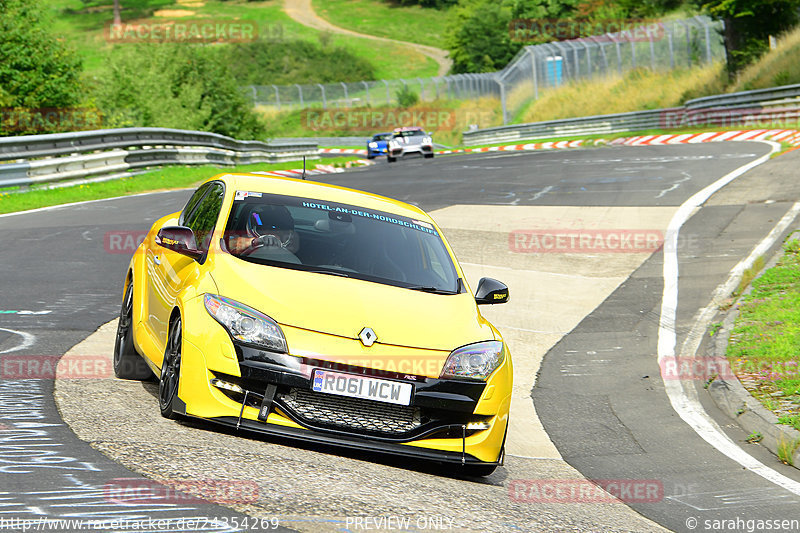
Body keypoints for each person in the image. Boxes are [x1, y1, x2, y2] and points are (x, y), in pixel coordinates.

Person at [227, 204, 300, 255]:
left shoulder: (293, 244)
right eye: (266, 228)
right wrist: (255, 242)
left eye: (278, 229)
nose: (272, 233)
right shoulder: (237, 239)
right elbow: (228, 244)